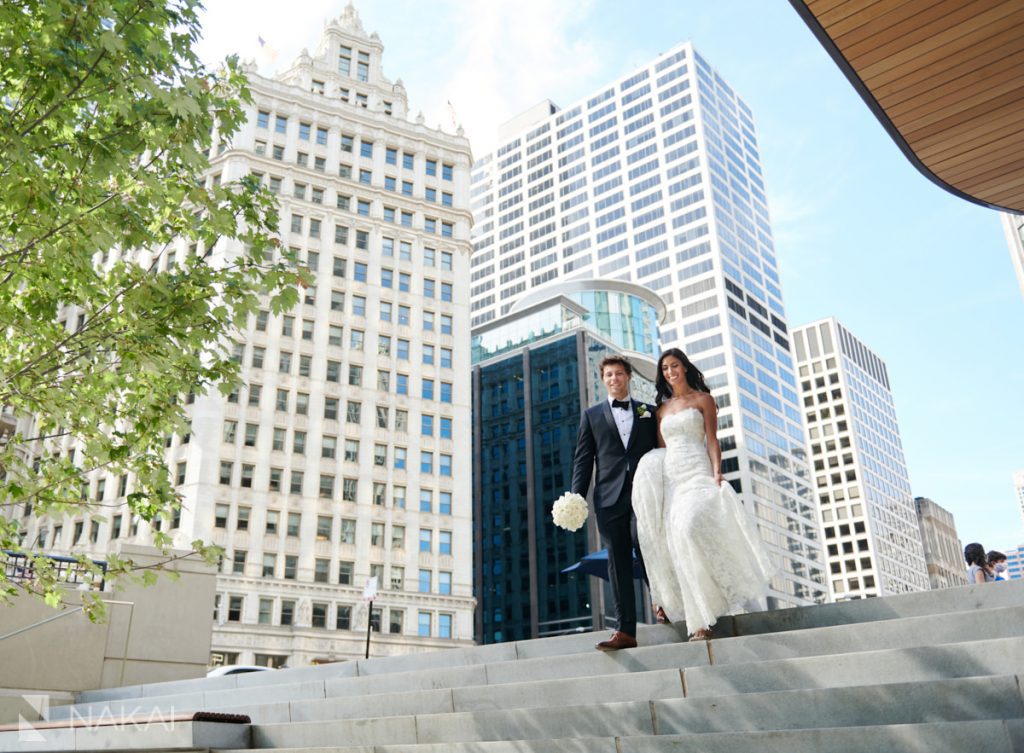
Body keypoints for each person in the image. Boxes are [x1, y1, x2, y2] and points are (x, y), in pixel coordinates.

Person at [633, 348, 774, 640]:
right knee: (678, 543)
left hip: (698, 472)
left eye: (674, 366)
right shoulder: (661, 410)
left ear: (684, 368)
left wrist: (717, 471)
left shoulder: (703, 401)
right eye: (665, 369)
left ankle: (721, 597)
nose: (670, 372)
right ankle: (699, 623)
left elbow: (712, 441)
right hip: (673, 480)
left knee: (689, 528)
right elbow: (662, 451)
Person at [571, 355, 658, 651]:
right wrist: (576, 498)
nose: (614, 379)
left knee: (645, 544)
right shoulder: (591, 415)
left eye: (619, 374)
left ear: (628, 377)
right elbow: (583, 459)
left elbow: (661, 452)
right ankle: (625, 630)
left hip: (645, 494)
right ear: (603, 379)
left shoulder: (649, 412)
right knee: (617, 562)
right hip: (608, 498)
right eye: (608, 375)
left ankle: (662, 602)